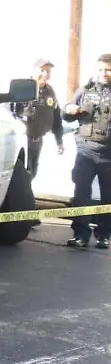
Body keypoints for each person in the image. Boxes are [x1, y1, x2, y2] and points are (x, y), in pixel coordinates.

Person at [63, 54, 111, 249]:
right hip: (85, 149)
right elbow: (65, 114)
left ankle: (103, 235)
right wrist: (70, 109)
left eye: (108, 69)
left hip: (108, 154)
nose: (104, 73)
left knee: (108, 197)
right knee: (81, 193)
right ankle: (81, 234)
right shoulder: (85, 90)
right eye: (101, 69)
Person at [15, 59, 65, 179]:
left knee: (32, 173)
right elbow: (12, 111)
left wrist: (59, 141)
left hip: (38, 140)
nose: (45, 74)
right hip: (22, 139)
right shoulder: (23, 88)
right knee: (22, 175)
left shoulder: (50, 92)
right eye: (42, 70)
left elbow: (56, 116)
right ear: (33, 71)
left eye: (48, 71)